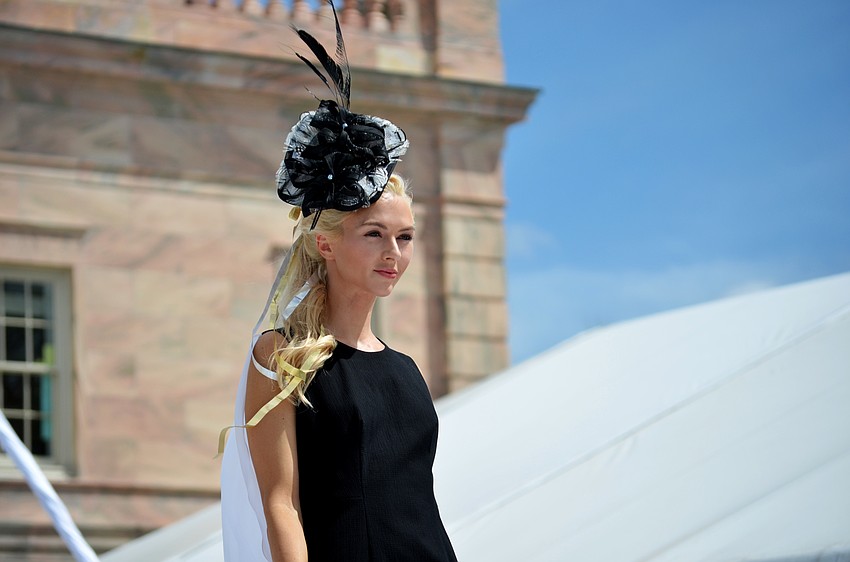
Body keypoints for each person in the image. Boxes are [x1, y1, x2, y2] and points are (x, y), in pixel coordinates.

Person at [219, 3, 458, 560]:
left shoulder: (406, 371)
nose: (393, 253)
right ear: (325, 243)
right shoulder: (280, 357)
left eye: (406, 237)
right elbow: (281, 506)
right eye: (374, 234)